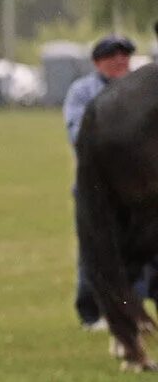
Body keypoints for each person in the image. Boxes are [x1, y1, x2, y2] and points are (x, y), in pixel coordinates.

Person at [63, 35, 135, 327]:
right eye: (111, 55)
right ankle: (91, 313)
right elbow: (79, 135)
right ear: (96, 62)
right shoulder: (83, 92)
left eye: (124, 55)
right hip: (97, 185)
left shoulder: (141, 91)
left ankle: (131, 310)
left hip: (137, 187)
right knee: (94, 249)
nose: (119, 60)